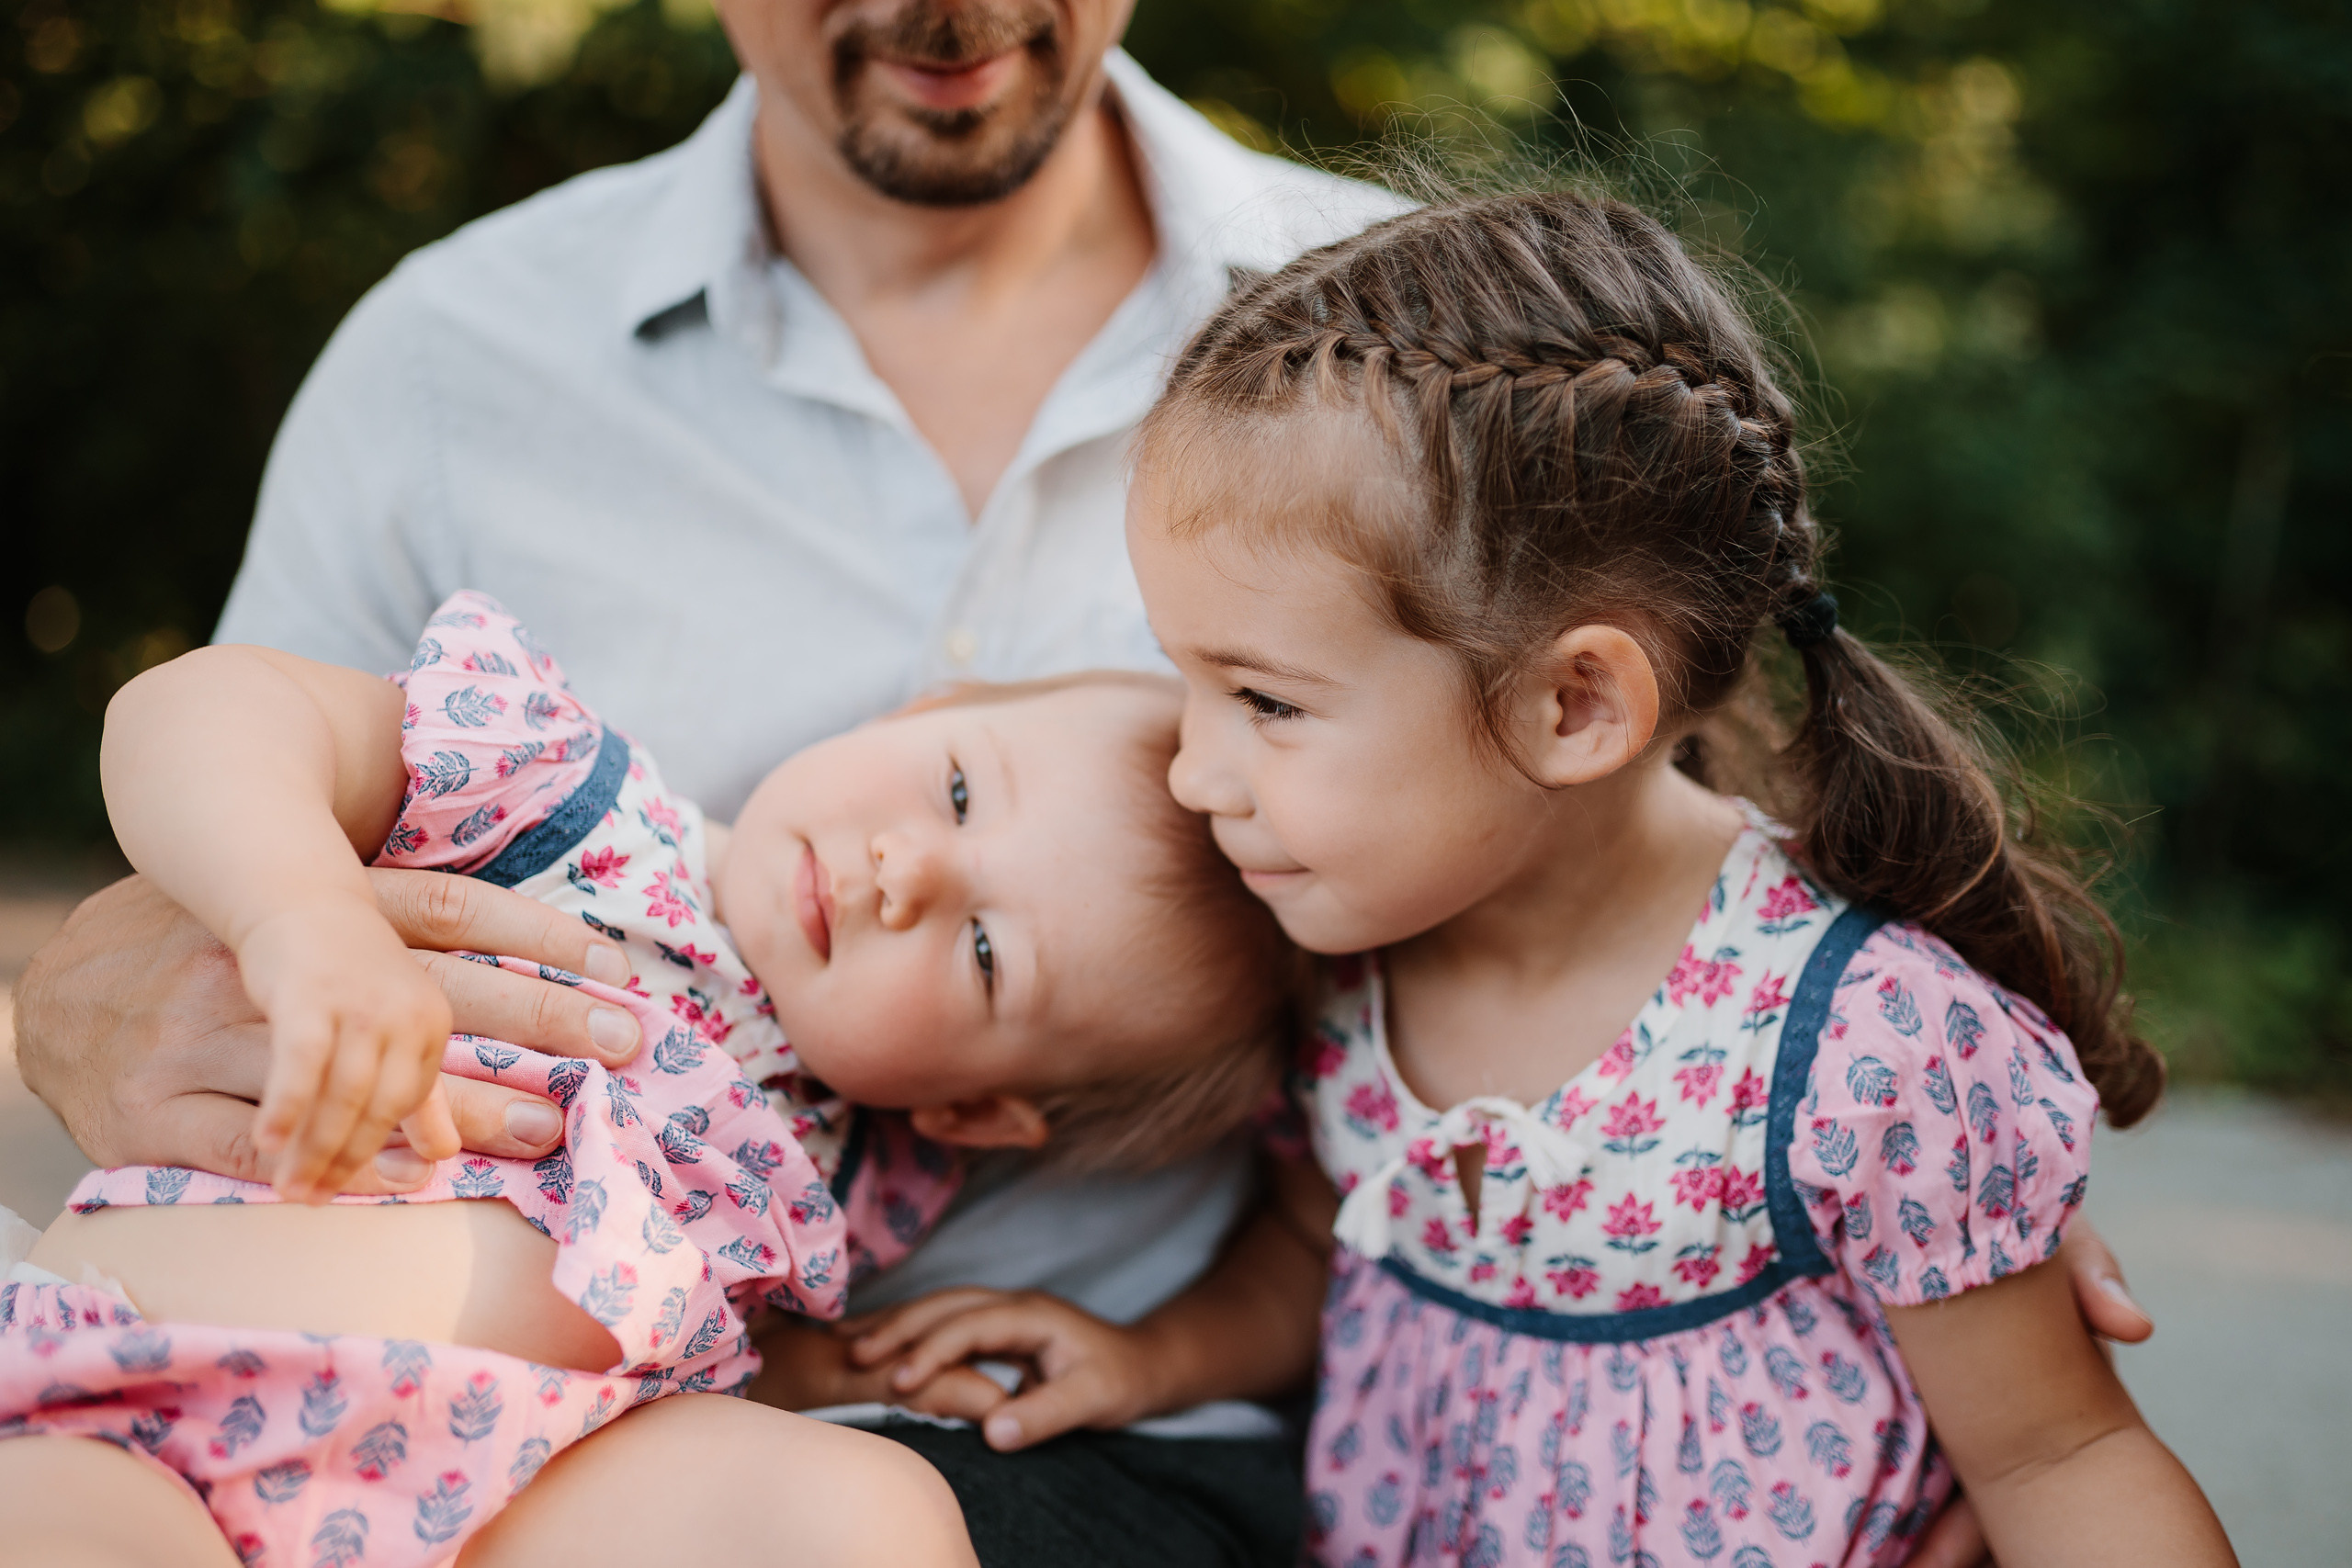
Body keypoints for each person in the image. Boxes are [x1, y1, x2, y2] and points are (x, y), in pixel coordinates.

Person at [11, 0, 2153, 1560]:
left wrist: (1878, 1249)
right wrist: (108, 988)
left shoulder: (1405, 348)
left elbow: (1633, 861)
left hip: (1075, 1444)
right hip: (347, 1328)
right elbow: (220, 771)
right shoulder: (452, 360)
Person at [1114, 189, 2230, 1565]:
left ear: (1576, 706)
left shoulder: (1856, 1048)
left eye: (1264, 702)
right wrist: (1143, 1364)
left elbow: (2061, 1456)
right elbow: (1319, 1246)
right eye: (1186, 681)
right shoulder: (1339, 969)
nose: (1191, 772)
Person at [1, 591, 1290, 1567]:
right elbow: (198, 710)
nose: (912, 873)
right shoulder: (557, 793)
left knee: (871, 1517)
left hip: (479, 1497)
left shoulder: (843, 1185)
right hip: (147, 1396)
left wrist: (824, 1384)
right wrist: (300, 911)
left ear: (973, 1111)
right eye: (957, 791)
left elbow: (700, 1360)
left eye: (987, 950)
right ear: (922, 715)